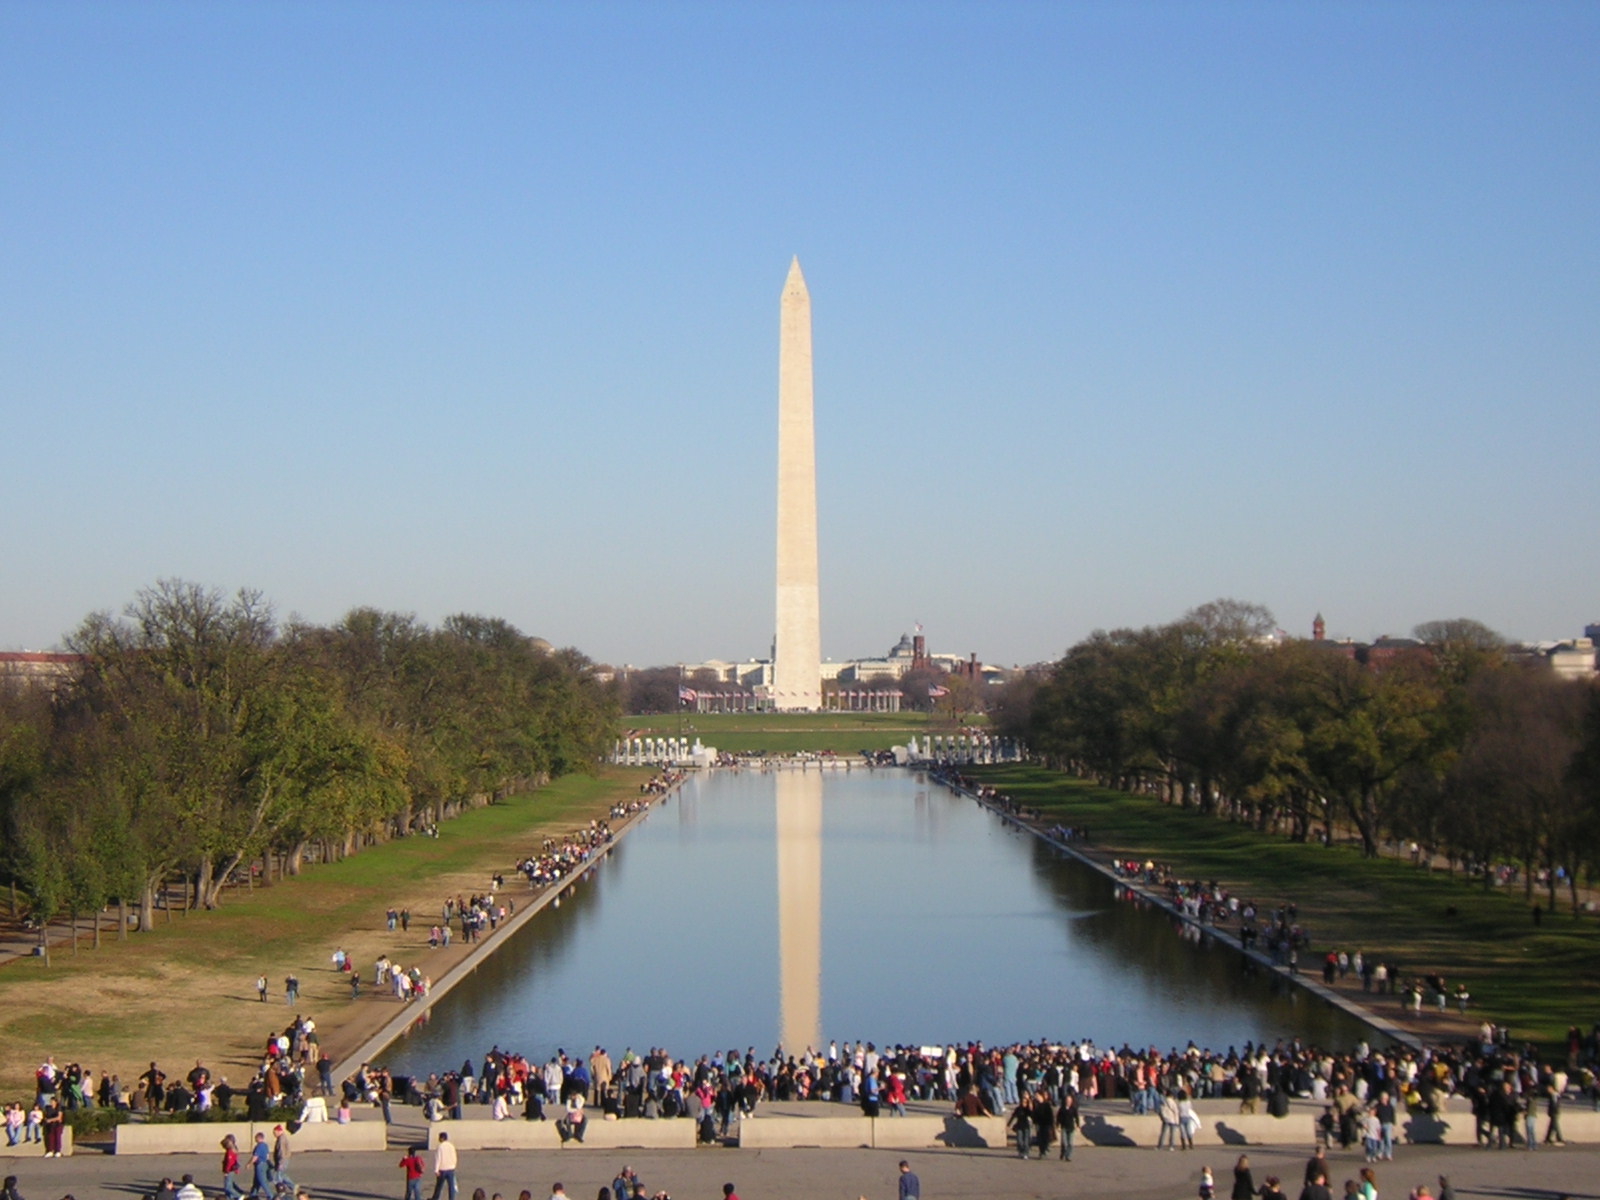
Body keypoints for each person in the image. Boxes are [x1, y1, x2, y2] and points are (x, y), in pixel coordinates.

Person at [431, 1132, 458, 1200]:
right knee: (451, 1186)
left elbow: (438, 1158)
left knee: (439, 1186)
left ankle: (435, 1198)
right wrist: (453, 1165)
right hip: (450, 1169)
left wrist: (436, 1170)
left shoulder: (440, 1147)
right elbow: (454, 1157)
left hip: (442, 1169)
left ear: (442, 1138)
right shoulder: (451, 1146)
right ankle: (451, 1198)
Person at [272, 1125, 296, 1192]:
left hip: (282, 1160)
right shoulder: (282, 1138)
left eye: (275, 1132)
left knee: (277, 1177)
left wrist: (280, 1163)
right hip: (284, 1159)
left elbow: (281, 1152)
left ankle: (281, 1190)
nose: (274, 1134)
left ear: (279, 1131)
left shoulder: (281, 1139)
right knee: (282, 1175)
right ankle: (293, 1187)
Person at [220, 1133, 244, 1200]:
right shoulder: (234, 1149)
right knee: (229, 1185)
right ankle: (229, 1197)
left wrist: (226, 1171)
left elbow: (229, 1162)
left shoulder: (230, 1151)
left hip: (229, 1170)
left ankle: (238, 1195)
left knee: (228, 1187)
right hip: (232, 1169)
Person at [249, 1132, 272, 1199]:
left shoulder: (259, 1146)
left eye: (256, 1138)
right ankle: (253, 1194)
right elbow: (267, 1156)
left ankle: (270, 1195)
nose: (255, 1139)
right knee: (256, 1181)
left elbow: (255, 1157)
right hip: (264, 1164)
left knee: (262, 1181)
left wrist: (249, 1164)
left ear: (258, 1138)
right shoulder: (265, 1145)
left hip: (260, 1165)